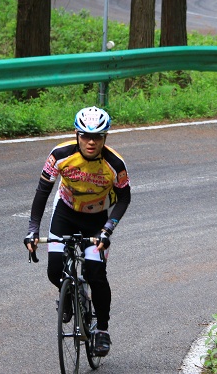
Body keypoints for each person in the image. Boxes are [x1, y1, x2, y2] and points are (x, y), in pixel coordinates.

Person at [24, 106, 130, 358]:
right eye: (85, 136)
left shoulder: (115, 163)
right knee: (54, 269)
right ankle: (70, 294)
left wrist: (107, 230)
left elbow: (124, 198)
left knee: (96, 274)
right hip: (65, 214)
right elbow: (42, 192)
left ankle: (102, 330)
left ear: (105, 138)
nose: (91, 142)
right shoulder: (59, 155)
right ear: (76, 135)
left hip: (96, 220)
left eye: (97, 137)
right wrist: (32, 229)